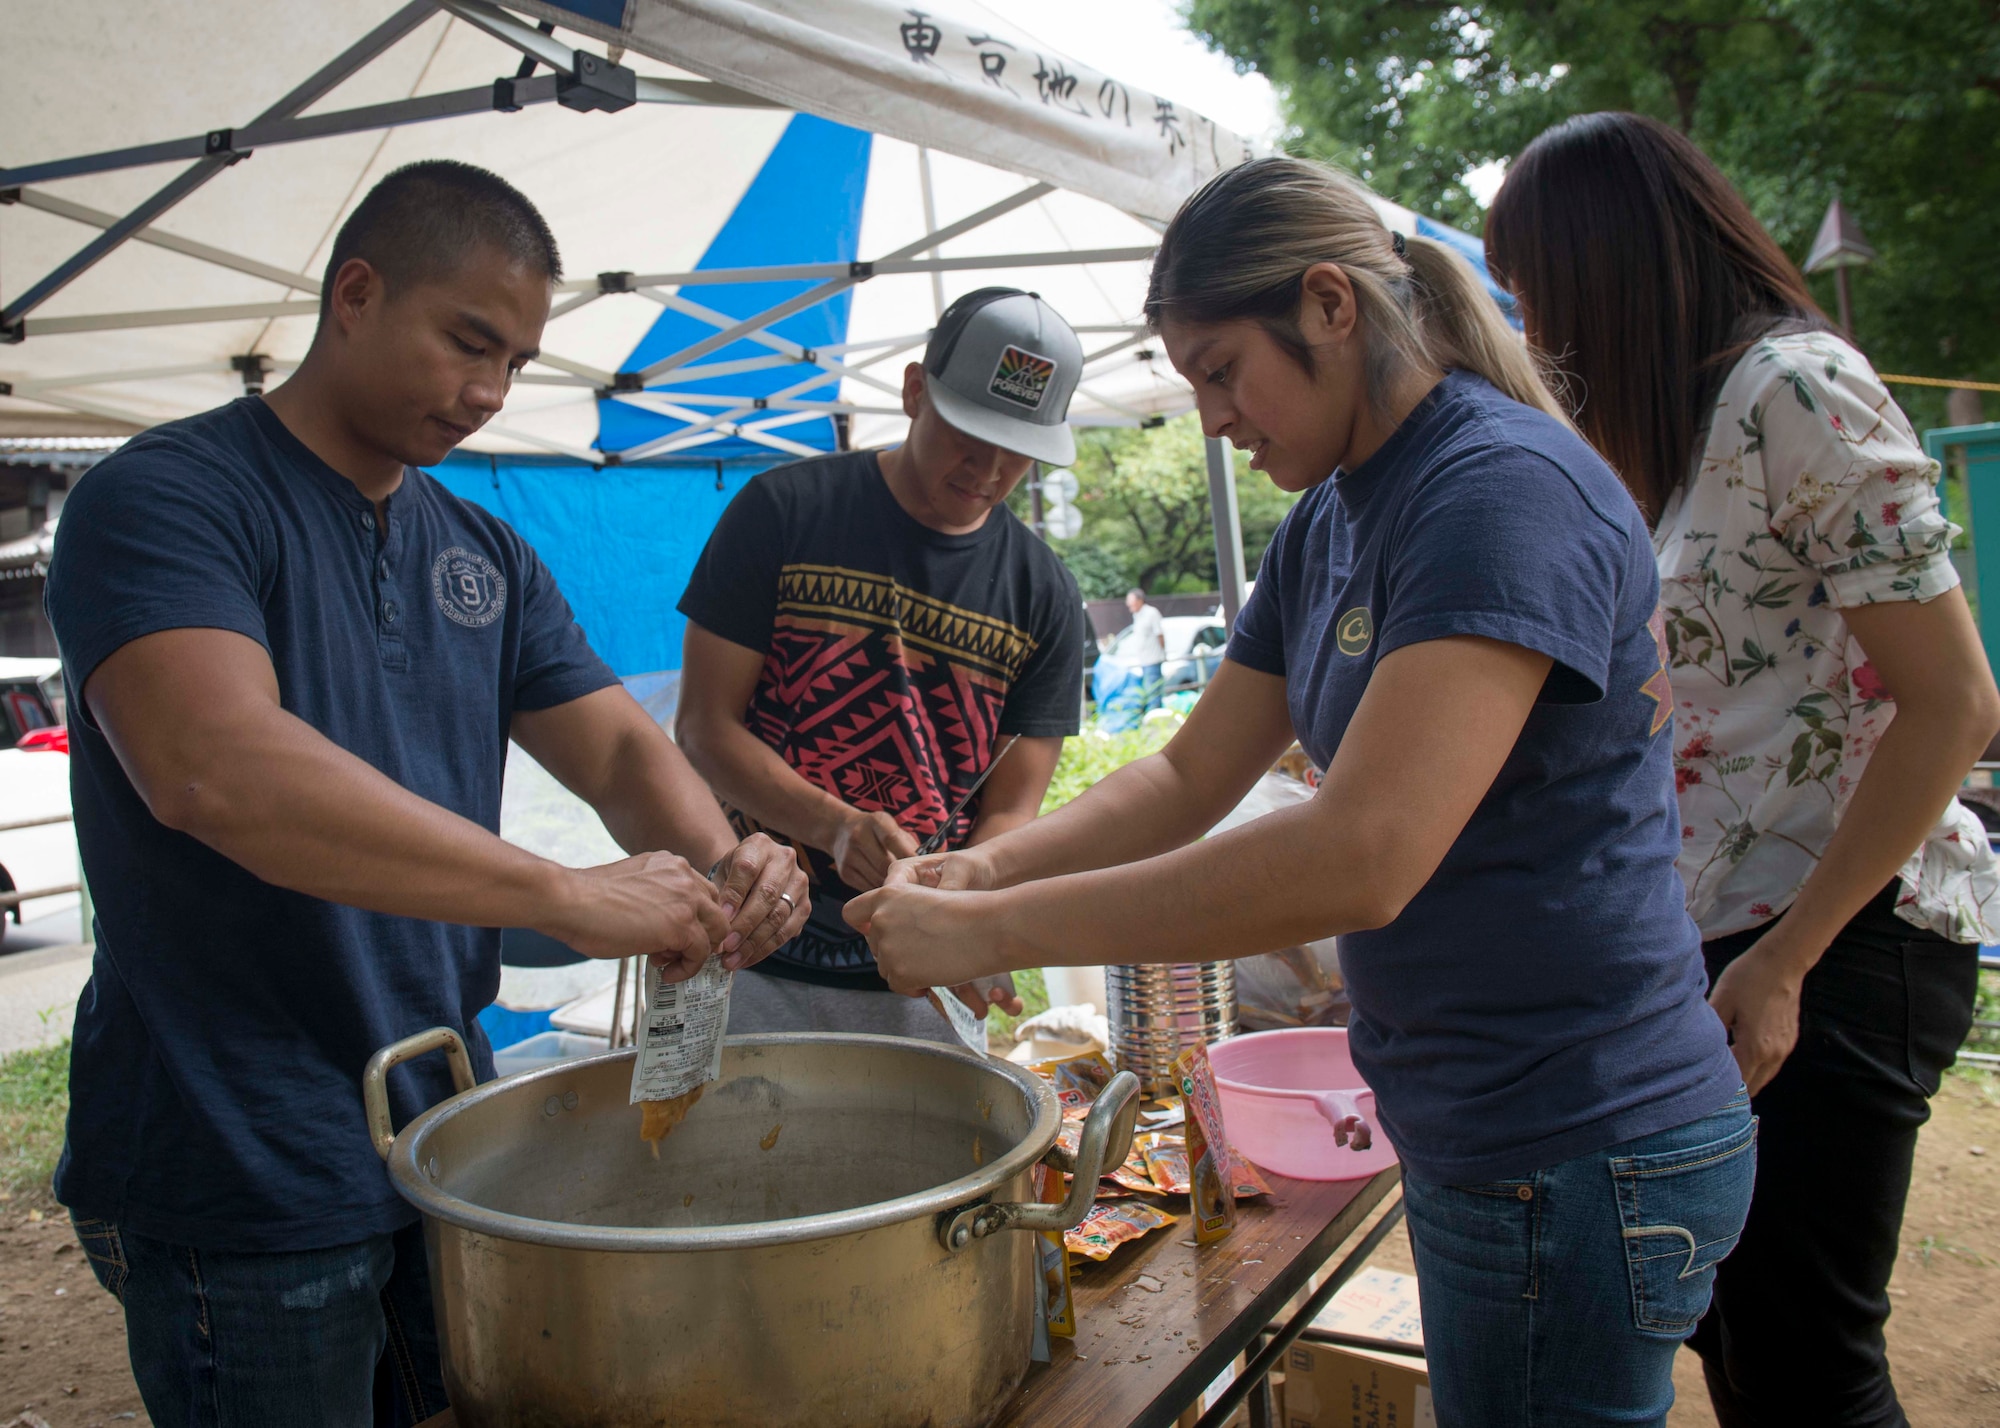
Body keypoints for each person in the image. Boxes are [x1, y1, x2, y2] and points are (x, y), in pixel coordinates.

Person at [847, 155, 1754, 1426]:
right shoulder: (1333, 515)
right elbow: (1186, 770)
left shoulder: (1494, 490)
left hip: (1574, 1131)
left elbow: (1360, 855)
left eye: (1221, 370)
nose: (1211, 417)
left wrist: (996, 931)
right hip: (1483, 1120)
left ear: (1330, 304)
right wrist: (994, 864)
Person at [45, 160, 809, 1428]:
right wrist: (567, 894)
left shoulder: (481, 552)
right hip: (237, 1153)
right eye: (468, 342)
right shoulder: (166, 498)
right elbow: (214, 768)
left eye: (515, 362)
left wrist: (722, 870)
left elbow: (619, 752)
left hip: (440, 1128)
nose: (487, 393)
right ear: (356, 293)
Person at [1486, 113, 1999, 1428]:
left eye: (1539, 294)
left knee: (1802, 1368)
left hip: (1845, 939)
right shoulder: (1676, 434)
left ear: (1611, 268)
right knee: (1735, 1338)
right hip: (1727, 947)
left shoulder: (1797, 389)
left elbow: (1954, 706)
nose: (1535, 333)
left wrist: (1789, 961)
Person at [675, 288, 1087, 1042]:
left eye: (1017, 448)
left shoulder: (1045, 593)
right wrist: (834, 827)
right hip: (747, 945)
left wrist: (967, 906)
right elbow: (704, 727)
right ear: (913, 391)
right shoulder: (783, 512)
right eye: (970, 432)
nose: (990, 468)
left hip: (923, 968)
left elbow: (1011, 807)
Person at [1125, 587, 1167, 709]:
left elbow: (1160, 635)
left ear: (1139, 600)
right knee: (1148, 692)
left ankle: (1155, 719)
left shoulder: (1151, 613)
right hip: (1143, 660)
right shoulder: (1136, 615)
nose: (1128, 604)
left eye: (1130, 600)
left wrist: (1163, 653)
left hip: (1153, 659)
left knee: (1153, 692)